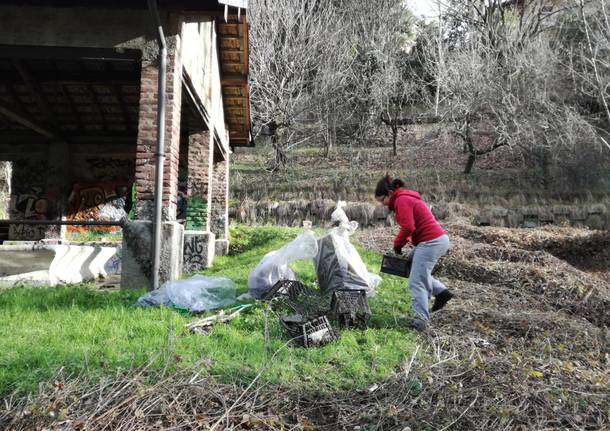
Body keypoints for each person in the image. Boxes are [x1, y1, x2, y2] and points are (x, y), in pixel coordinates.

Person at [375, 175, 454, 331]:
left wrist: (397, 245)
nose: (383, 204)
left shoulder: (401, 200)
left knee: (416, 281)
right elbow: (413, 226)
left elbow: (408, 227)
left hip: (431, 242)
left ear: (389, 193)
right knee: (410, 265)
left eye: (382, 200)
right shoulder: (404, 198)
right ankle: (441, 292)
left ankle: (421, 320)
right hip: (435, 240)